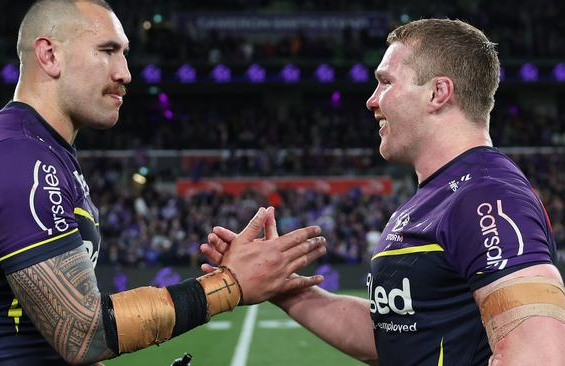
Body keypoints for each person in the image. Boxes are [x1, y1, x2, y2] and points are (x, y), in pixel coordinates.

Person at [0, 1, 328, 365]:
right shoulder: (17, 156)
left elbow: (39, 339)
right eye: (107, 51)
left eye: (125, 55)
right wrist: (230, 284)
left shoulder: (35, 150)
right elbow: (81, 333)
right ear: (49, 55)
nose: (125, 74)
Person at [201, 18, 565, 365]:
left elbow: (539, 356)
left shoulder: (486, 195)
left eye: (386, 82)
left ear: (438, 92)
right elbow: (396, 337)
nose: (372, 100)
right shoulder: (434, 198)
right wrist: (284, 288)